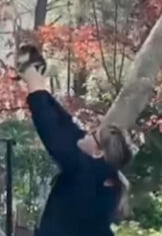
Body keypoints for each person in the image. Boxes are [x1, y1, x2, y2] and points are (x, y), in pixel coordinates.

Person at [18, 56, 136, 236]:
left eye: (92, 134)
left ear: (97, 153)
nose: (86, 133)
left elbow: (52, 133)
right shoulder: (103, 174)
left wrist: (34, 86)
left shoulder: (84, 171)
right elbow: (67, 127)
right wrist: (42, 90)